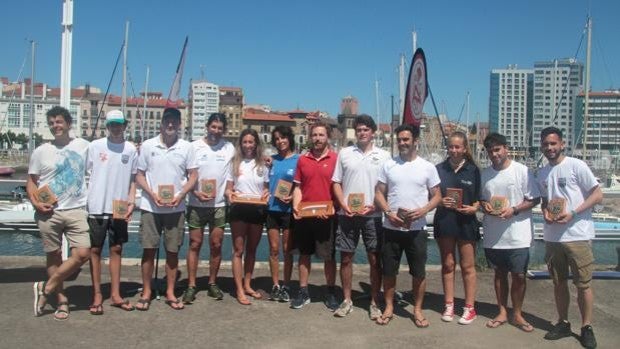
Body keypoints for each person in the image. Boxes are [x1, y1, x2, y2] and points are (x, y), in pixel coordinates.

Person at [536, 127, 601, 349]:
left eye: (553, 143)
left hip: (577, 235)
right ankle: (563, 322)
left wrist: (573, 212)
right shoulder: (542, 172)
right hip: (553, 237)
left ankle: (586, 327)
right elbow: (546, 201)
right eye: (545, 144)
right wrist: (545, 211)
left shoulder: (576, 165)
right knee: (558, 282)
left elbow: (597, 194)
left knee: (583, 284)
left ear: (562, 144)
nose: (549, 148)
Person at [374, 124, 441, 326]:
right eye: (400, 139)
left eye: (406, 139)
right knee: (388, 272)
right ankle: (389, 307)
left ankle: (418, 310)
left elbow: (437, 196)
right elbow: (378, 193)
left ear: (415, 141)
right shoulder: (388, 165)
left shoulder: (428, 167)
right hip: (391, 228)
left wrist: (423, 211)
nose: (402, 143)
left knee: (419, 273)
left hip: (416, 229)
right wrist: (388, 212)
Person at [29, 106, 91, 321]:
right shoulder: (41, 151)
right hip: (49, 212)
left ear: (68, 123)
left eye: (59, 122)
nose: (55, 126)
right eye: (52, 122)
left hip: (75, 209)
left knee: (83, 253)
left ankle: (46, 288)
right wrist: (36, 203)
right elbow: (31, 182)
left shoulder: (83, 146)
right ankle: (62, 301)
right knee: (54, 255)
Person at [134, 107, 198, 311]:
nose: (170, 124)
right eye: (167, 121)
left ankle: (170, 292)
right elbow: (139, 175)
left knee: (172, 252)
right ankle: (146, 292)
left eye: (174, 121)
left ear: (179, 124)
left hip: (176, 209)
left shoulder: (187, 147)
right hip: (150, 208)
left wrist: (180, 195)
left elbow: (194, 176)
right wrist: (152, 194)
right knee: (148, 251)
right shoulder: (147, 146)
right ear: (161, 123)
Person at [331, 115, 391, 319]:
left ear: (373, 132)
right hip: (347, 214)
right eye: (359, 130)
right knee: (346, 258)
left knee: (375, 259)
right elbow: (336, 182)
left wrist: (375, 205)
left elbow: (387, 187)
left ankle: (374, 302)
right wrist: (342, 204)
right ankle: (347, 300)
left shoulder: (384, 156)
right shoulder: (345, 153)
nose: (362, 132)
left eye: (366, 129)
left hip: (372, 215)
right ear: (355, 132)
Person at [480, 133, 540, 332]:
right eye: (490, 151)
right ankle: (502, 311)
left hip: (518, 235)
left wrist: (514, 210)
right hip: (494, 235)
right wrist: (485, 206)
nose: (494, 154)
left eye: (497, 150)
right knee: (499, 274)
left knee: (519, 275)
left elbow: (534, 199)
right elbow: (481, 199)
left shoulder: (522, 171)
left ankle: (518, 314)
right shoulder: (485, 174)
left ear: (506, 148)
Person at [86, 110, 138, 314]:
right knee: (95, 250)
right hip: (97, 207)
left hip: (119, 208)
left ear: (125, 125)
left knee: (117, 250)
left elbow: (133, 179)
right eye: (112, 125)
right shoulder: (95, 146)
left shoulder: (131, 149)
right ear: (106, 126)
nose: (116, 128)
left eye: (119, 124)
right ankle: (97, 293)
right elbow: (85, 172)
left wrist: (132, 201)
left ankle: (116, 294)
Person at [182, 113, 234, 304]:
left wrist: (229, 192)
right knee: (194, 244)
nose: (216, 131)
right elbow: (187, 175)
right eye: (213, 127)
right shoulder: (194, 147)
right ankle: (191, 285)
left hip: (219, 205)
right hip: (196, 204)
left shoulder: (229, 148)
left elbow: (230, 176)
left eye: (220, 128)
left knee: (216, 245)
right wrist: (195, 193)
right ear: (207, 126)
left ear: (224, 130)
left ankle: (212, 283)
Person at [433, 131, 481, 325]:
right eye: (451, 146)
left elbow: (479, 199)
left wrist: (475, 208)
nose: (453, 150)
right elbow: (431, 197)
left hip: (466, 222)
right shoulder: (438, 169)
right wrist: (440, 201)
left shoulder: (473, 170)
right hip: (445, 221)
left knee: (468, 266)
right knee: (448, 264)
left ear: (464, 148)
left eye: (457, 147)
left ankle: (470, 308)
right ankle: (449, 304)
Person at [290, 121, 339, 311]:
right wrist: (296, 207)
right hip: (305, 216)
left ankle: (330, 291)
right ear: (310, 137)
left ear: (327, 137)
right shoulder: (302, 160)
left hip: (326, 216)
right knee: (303, 255)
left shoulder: (335, 159)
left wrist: (333, 207)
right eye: (315, 135)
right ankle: (303, 291)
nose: (317, 138)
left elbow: (338, 187)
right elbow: (298, 187)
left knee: (328, 257)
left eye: (321, 135)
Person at [225, 129, 269, 305]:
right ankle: (239, 290)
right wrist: (229, 193)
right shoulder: (234, 163)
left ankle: (248, 284)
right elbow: (229, 187)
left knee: (252, 250)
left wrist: (266, 193)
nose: (248, 145)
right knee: (238, 250)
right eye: (245, 142)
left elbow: (265, 187)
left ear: (256, 144)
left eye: (251, 142)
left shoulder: (263, 164)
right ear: (240, 144)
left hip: (257, 210)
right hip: (239, 209)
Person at [266, 126, 299, 302]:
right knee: (273, 249)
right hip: (272, 209)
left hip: (288, 211)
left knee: (287, 250)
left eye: (283, 138)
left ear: (289, 138)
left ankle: (286, 285)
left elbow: (301, 185)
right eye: (277, 139)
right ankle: (275, 285)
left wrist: (293, 195)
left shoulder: (298, 160)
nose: (280, 141)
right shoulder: (271, 160)